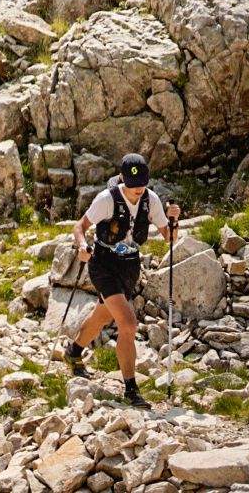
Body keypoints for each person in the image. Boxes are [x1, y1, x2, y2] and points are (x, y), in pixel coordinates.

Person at [62, 153, 180, 408]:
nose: (139, 190)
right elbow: (79, 227)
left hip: (130, 267)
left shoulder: (151, 200)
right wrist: (82, 246)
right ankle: (131, 389)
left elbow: (169, 237)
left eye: (143, 185)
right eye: (133, 185)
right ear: (123, 180)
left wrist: (174, 220)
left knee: (103, 316)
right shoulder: (107, 199)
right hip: (103, 264)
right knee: (128, 323)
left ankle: (73, 352)